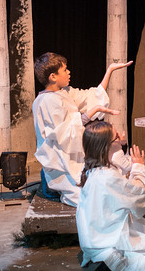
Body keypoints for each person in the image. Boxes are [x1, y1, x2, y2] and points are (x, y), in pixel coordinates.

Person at [76, 121, 145, 271]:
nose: (121, 137)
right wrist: (139, 168)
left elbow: (118, 175)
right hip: (105, 241)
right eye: (117, 136)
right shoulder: (107, 177)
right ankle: (111, 265)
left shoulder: (94, 169)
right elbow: (139, 197)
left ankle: (105, 261)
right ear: (106, 146)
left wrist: (118, 147)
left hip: (94, 237)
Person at [32, 52, 133, 207]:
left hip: (75, 155)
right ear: (53, 76)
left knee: (107, 183)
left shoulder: (64, 93)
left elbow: (92, 96)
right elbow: (64, 134)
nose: (69, 72)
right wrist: (87, 115)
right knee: (90, 198)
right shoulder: (46, 101)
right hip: (61, 162)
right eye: (65, 70)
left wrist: (110, 71)